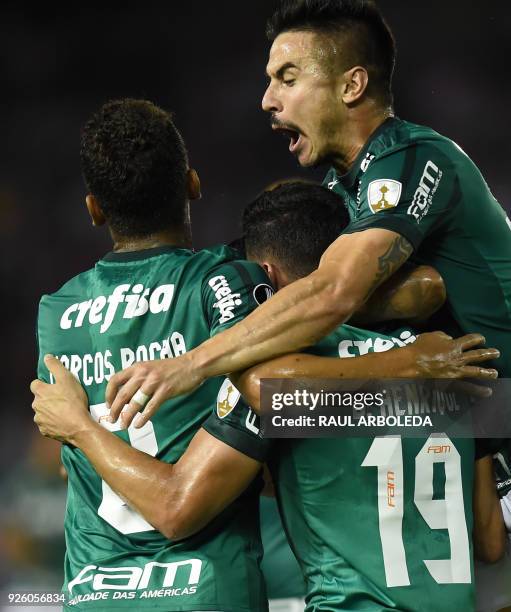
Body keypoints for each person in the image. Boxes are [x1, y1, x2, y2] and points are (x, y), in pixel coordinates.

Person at [32, 182, 505, 611]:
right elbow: (489, 540)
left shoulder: (289, 385)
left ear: (266, 277)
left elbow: (185, 494)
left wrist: (83, 431)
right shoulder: (458, 357)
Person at [104, 0, 511, 430]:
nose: (266, 101)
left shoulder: (412, 159)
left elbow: (332, 292)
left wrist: (191, 364)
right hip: (464, 435)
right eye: (269, 81)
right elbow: (408, 291)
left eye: (287, 79)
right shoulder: (339, 188)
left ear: (351, 86)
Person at [35, 97, 277, 611]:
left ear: (94, 209)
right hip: (208, 591)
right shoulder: (227, 281)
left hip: (95, 596)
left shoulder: (56, 313)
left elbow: (73, 462)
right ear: (192, 183)